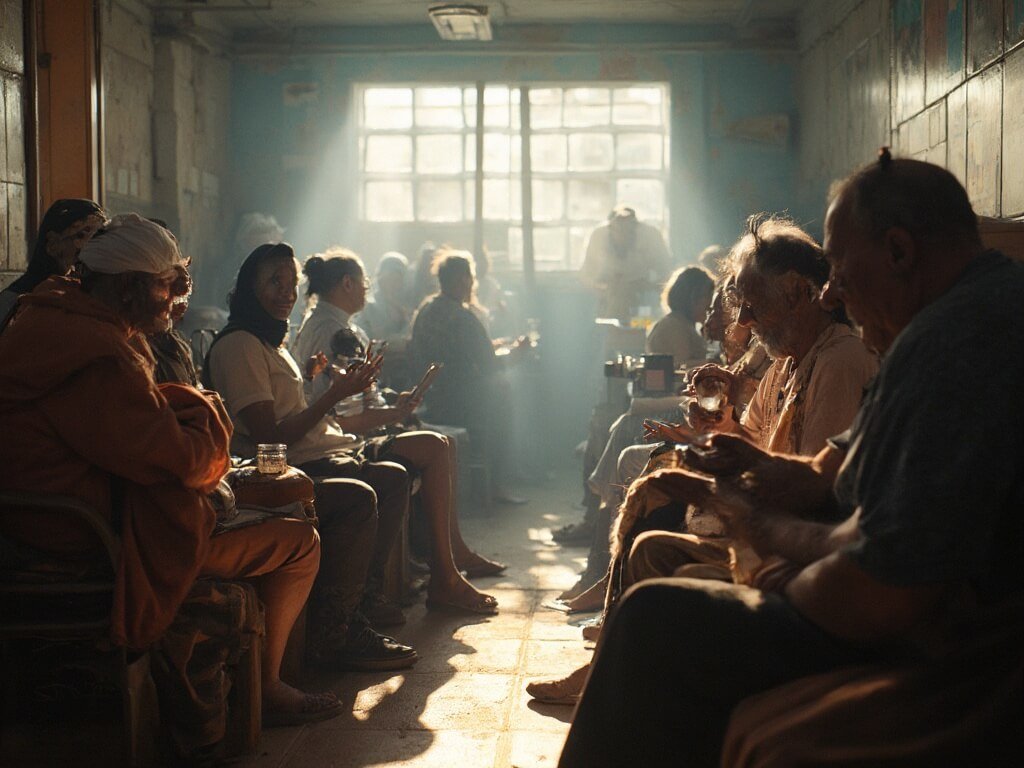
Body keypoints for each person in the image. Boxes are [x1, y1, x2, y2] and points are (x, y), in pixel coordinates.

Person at [558, 152, 1024, 767]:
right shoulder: (933, 324)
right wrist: (736, 465)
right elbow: (826, 470)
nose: (831, 291)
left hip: (956, 655)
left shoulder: (956, 344)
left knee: (655, 622)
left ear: (900, 251)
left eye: (839, 272)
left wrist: (766, 534)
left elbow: (884, 590)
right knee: (660, 599)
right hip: (879, 594)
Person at [0, 214, 342, 727]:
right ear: (129, 287)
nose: (174, 300)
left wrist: (179, 413)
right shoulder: (95, 352)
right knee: (300, 540)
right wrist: (202, 412)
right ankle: (267, 687)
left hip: (61, 517)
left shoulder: (52, 319)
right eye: (165, 286)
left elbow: (136, 435)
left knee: (280, 499)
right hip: (88, 535)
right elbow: (183, 461)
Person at [529, 214, 878, 703]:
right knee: (654, 499)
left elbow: (813, 484)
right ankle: (610, 661)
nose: (743, 324)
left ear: (800, 293)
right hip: (771, 514)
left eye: (752, 308)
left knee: (656, 506)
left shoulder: (838, 360)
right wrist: (720, 433)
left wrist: (723, 479)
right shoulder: (789, 360)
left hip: (794, 535)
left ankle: (620, 672)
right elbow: (753, 436)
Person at [204, 243, 420, 668]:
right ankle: (334, 630)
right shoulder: (240, 346)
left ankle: (362, 601)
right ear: (249, 288)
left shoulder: (273, 341)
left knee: (393, 476)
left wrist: (322, 383)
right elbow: (270, 439)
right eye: (274, 282)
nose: (286, 292)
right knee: (358, 495)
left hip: (308, 455)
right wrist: (334, 395)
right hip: (269, 476)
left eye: (291, 283)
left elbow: (290, 410)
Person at [293, 248, 503, 614]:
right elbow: (341, 416)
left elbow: (355, 401)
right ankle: (445, 571)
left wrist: (394, 407)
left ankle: (450, 556)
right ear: (347, 284)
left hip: (349, 430)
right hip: (341, 440)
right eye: (364, 282)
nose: (366, 289)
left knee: (441, 442)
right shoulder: (335, 332)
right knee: (437, 445)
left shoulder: (333, 324)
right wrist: (391, 415)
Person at [410, 249, 530, 505]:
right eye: (470, 278)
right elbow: (489, 365)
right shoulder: (463, 317)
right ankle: (495, 484)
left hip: (429, 395)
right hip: (462, 400)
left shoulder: (426, 309)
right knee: (503, 395)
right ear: (464, 280)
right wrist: (517, 353)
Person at [0, 198, 106, 332]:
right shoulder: (14, 301)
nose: (88, 247)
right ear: (52, 242)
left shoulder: (87, 295)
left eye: (98, 239)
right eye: (81, 235)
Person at [579, 206, 672, 323]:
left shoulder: (651, 237)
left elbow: (666, 273)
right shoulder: (598, 237)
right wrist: (604, 287)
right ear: (610, 228)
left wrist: (647, 285)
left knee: (641, 333)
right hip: (608, 305)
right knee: (611, 335)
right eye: (617, 229)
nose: (622, 234)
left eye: (627, 229)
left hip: (644, 303)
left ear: (635, 227)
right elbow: (585, 274)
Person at [644, 265, 714, 368]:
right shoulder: (673, 327)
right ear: (693, 297)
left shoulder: (683, 324)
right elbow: (677, 366)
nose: (710, 305)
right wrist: (710, 363)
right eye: (707, 296)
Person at [356, 251, 413, 349]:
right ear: (381, 277)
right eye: (391, 277)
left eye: (398, 278)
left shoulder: (406, 307)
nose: (394, 283)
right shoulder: (368, 307)